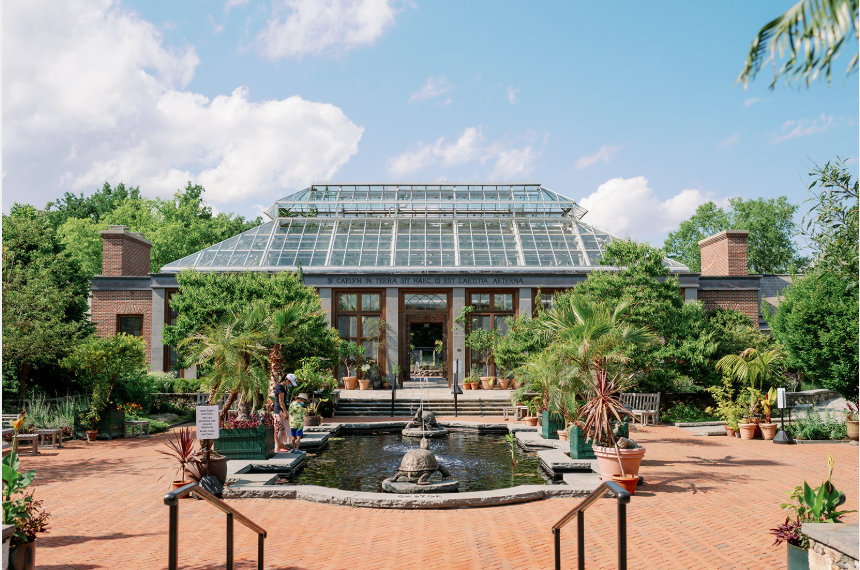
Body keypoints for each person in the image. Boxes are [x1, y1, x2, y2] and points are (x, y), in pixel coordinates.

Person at [273, 375, 290, 452]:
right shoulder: (280, 387)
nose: (291, 384)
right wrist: (285, 412)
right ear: (287, 380)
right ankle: (278, 447)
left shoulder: (284, 386)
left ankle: (281, 444)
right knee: (279, 428)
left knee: (283, 428)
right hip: (279, 411)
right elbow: (281, 401)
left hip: (283, 410)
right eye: (291, 382)